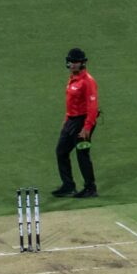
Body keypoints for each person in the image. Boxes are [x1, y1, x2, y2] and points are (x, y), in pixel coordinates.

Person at [52, 47, 99, 198]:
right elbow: (71, 102)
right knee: (61, 151)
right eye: (71, 61)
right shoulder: (73, 77)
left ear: (82, 63)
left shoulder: (88, 81)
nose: (72, 64)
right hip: (71, 121)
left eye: (76, 62)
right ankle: (68, 185)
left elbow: (93, 106)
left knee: (82, 154)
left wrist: (87, 127)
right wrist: (66, 119)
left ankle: (90, 188)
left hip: (82, 121)